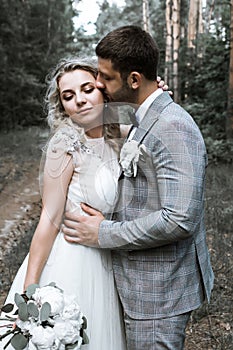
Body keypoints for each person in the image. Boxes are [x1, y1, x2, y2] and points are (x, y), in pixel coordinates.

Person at [62, 26, 214, 350]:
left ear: (133, 79)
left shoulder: (172, 126)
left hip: (158, 294)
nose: (99, 84)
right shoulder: (144, 113)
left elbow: (179, 219)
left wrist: (102, 233)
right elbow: (95, 117)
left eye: (106, 77)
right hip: (139, 286)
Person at [0, 58, 127, 350]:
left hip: (108, 259)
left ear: (103, 90)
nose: (80, 101)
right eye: (68, 97)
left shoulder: (117, 135)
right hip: (71, 261)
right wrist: (29, 293)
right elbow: (49, 218)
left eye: (87, 90)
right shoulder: (66, 144)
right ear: (63, 106)